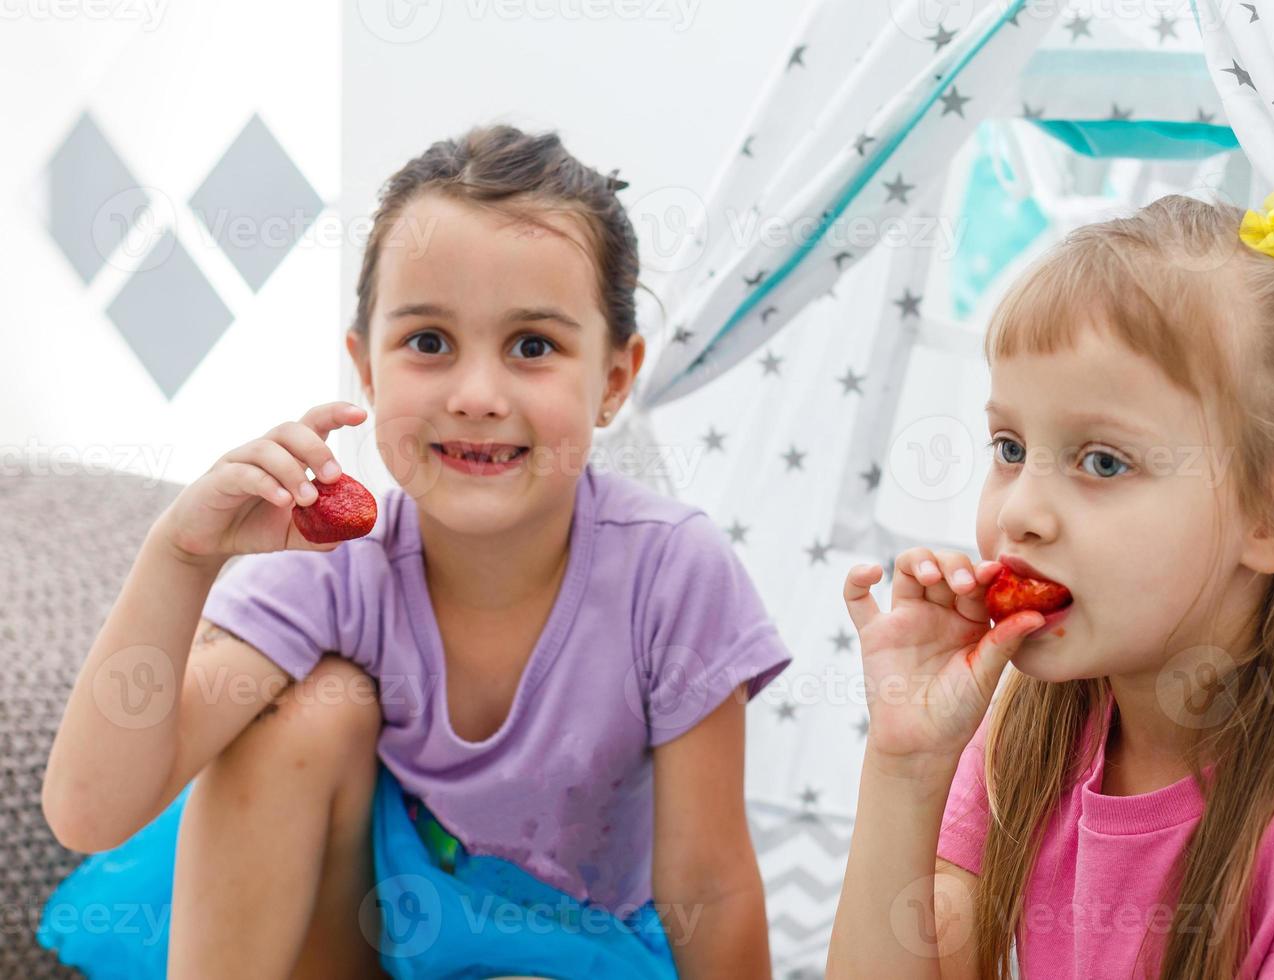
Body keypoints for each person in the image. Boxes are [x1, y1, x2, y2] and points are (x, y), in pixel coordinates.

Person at [39, 124, 791, 979]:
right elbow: (87, 812)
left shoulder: (672, 574)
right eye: (429, 342)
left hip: (576, 957)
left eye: (533, 346)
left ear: (614, 379)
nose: (476, 395)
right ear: (366, 366)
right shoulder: (330, 567)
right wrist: (181, 555)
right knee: (310, 708)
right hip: (363, 945)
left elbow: (712, 886)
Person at [828, 175, 1274, 979]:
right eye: (1011, 449)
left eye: (1103, 461)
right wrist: (906, 766)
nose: (1021, 511)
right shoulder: (1027, 732)